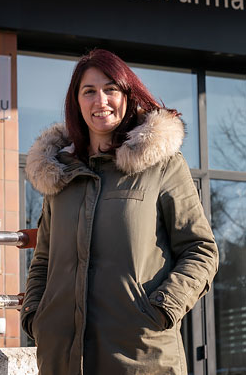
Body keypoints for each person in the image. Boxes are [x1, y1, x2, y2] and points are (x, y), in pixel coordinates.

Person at [22, 48, 218, 374]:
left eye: (111, 89)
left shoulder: (162, 165)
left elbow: (201, 250)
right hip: (61, 359)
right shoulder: (61, 174)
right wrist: (35, 316)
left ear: (128, 93)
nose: (101, 101)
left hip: (140, 357)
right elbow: (42, 260)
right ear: (77, 102)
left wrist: (162, 308)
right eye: (89, 91)